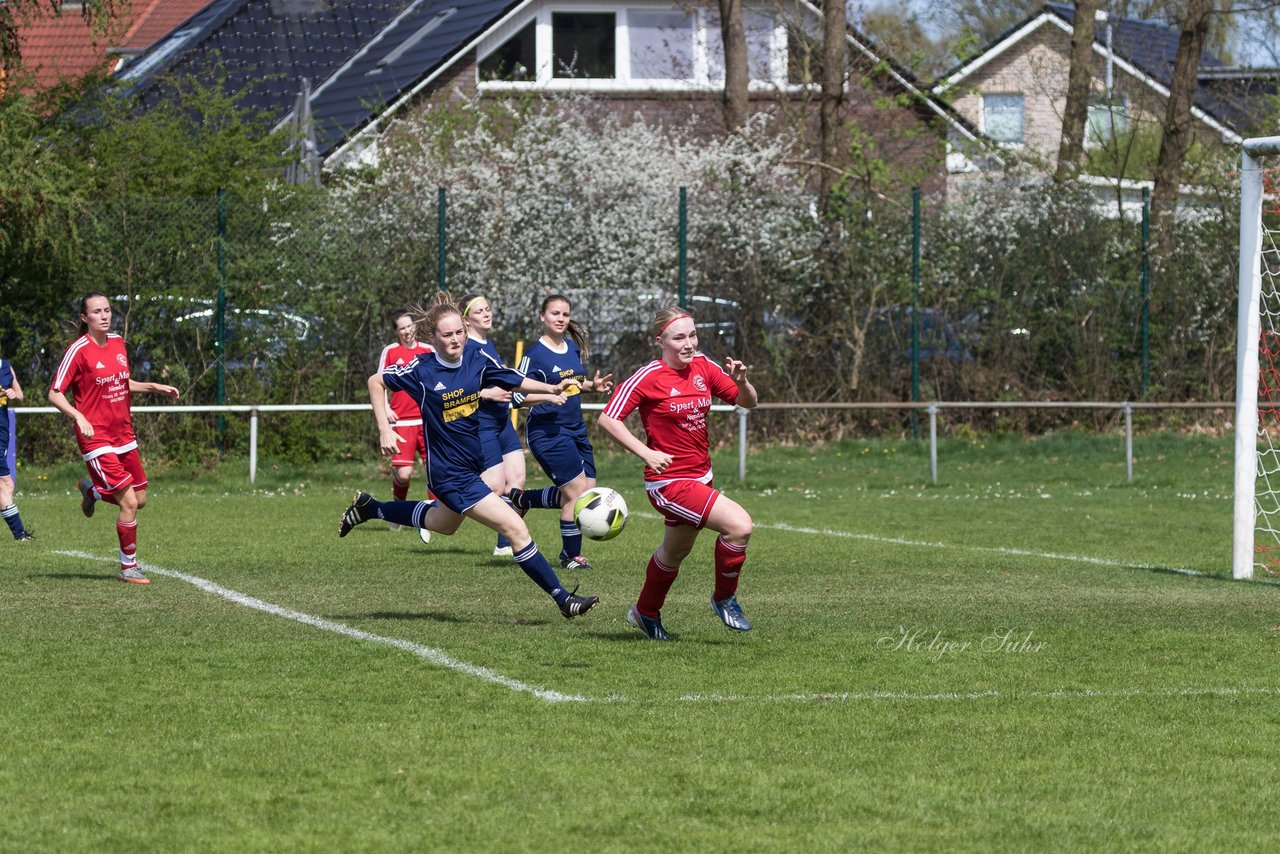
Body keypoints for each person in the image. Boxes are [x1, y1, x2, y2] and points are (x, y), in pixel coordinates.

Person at [339, 292, 599, 620]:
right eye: (446, 335)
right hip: (449, 473)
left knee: (441, 523)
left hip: (470, 465)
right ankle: (563, 598)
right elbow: (376, 382)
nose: (455, 340)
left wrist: (551, 388)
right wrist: (384, 429)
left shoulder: (477, 359)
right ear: (432, 338)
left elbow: (513, 378)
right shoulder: (423, 369)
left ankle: (371, 507)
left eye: (459, 332)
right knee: (515, 528)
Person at [597, 306, 758, 640]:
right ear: (661, 341)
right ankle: (724, 598)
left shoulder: (704, 366)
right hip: (669, 484)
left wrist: (742, 382)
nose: (689, 343)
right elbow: (608, 419)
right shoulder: (647, 377)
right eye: (679, 337)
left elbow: (749, 402)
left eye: (693, 334)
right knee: (739, 526)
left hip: (701, 477)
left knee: (674, 553)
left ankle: (645, 612)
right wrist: (646, 452)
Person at [48, 292, 180, 584]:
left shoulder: (118, 342)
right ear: (85, 318)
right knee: (129, 502)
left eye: (107, 310)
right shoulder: (78, 350)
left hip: (124, 433)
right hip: (96, 437)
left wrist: (153, 386)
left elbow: (122, 381)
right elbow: (54, 392)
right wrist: (78, 416)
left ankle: (91, 491)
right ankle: (128, 567)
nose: (104, 315)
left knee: (141, 499)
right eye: (97, 311)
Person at [510, 294, 613, 570]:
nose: (560, 319)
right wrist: (547, 397)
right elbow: (515, 398)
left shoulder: (570, 347)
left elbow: (573, 384)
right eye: (555, 314)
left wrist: (593, 385)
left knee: (586, 492)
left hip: (576, 429)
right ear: (542, 316)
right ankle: (570, 556)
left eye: (565, 315)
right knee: (577, 492)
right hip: (547, 432)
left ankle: (522, 499)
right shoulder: (534, 356)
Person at [460, 292, 526, 556]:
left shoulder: (488, 345)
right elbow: (455, 391)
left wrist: (549, 394)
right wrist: (486, 394)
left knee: (517, 481)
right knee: (494, 486)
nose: (487, 313)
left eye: (488, 308)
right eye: (479, 311)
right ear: (466, 320)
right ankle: (443, 504)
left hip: (502, 422)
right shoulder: (466, 348)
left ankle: (504, 544)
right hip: (482, 425)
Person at [377, 309, 435, 543]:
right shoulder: (391, 352)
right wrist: (386, 408)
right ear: (396, 331)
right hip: (402, 422)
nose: (407, 330)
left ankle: (431, 518)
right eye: (402, 327)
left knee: (435, 470)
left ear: (415, 326)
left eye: (409, 326)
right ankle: (398, 510)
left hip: (428, 420)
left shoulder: (428, 351)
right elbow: (378, 382)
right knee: (403, 474)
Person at [0, 355, 35, 541]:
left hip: (2, 433)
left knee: (5, 487)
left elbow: (20, 394)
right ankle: (20, 534)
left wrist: (13, 394)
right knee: (5, 484)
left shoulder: (5, 366)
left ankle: (20, 534)